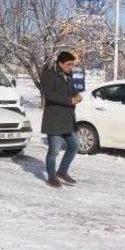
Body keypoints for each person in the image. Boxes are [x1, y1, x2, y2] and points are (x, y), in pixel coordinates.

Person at [41, 51, 82, 188]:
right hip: (54, 120)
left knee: (74, 146)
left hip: (68, 120)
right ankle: (51, 177)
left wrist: (77, 95)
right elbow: (50, 95)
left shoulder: (67, 76)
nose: (71, 67)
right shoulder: (48, 75)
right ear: (60, 63)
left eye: (72, 65)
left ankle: (62, 172)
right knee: (53, 151)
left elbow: (71, 90)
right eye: (69, 64)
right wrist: (69, 100)